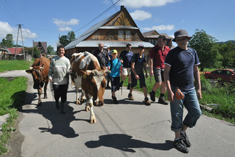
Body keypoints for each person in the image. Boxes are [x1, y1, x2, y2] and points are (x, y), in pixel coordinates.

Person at [164, 29, 202, 153]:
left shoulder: (193, 52)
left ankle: (183, 131)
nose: (181, 41)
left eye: (183, 38)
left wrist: (199, 88)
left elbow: (196, 70)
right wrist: (169, 90)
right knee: (177, 114)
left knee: (196, 112)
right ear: (176, 41)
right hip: (176, 89)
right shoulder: (172, 53)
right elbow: (166, 72)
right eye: (178, 39)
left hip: (190, 88)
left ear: (188, 39)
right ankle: (177, 139)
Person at [48, 45, 71, 114]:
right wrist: (50, 77)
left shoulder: (67, 60)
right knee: (57, 94)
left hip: (64, 81)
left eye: (62, 50)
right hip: (56, 81)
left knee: (64, 95)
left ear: (64, 51)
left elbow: (68, 70)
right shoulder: (53, 60)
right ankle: (57, 101)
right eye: (60, 50)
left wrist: (70, 72)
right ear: (57, 51)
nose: (61, 51)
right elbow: (50, 70)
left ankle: (62, 108)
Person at [149, 35, 170, 105]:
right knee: (159, 82)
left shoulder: (167, 49)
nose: (159, 43)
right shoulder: (154, 49)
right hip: (157, 67)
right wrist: (151, 69)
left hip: (165, 68)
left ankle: (161, 98)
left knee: (165, 83)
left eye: (160, 41)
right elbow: (151, 59)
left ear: (165, 42)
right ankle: (153, 92)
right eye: (158, 41)